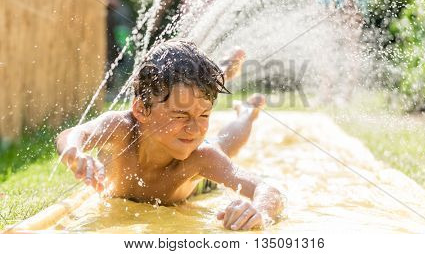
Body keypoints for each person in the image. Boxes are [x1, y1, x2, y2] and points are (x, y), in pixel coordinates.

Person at [56, 38, 283, 231]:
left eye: (205, 116)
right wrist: (73, 151)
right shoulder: (120, 128)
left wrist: (259, 212)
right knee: (194, 92)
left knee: (223, 144)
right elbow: (74, 134)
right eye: (180, 116)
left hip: (196, 187)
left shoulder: (200, 156)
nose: (194, 129)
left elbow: (269, 190)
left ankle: (247, 112)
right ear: (142, 110)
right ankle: (225, 68)